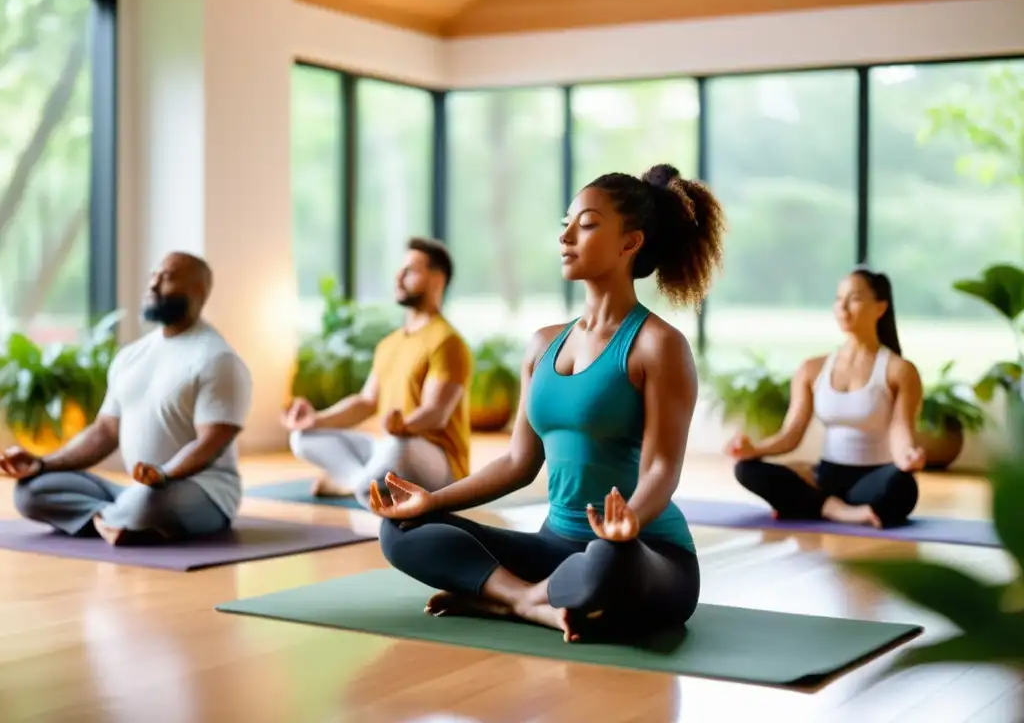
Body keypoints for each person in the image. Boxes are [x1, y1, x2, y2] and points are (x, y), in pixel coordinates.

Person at [367, 164, 726, 644]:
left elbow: (661, 468)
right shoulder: (542, 345)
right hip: (553, 547)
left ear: (630, 243)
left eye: (588, 224)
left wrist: (629, 523)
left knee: (602, 563)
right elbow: (518, 462)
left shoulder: (658, 346)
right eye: (566, 225)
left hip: (642, 552)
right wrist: (432, 501)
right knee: (402, 530)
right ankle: (524, 600)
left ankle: (504, 598)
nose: (566, 238)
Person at [0, 251, 253, 546]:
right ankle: (116, 520)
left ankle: (118, 518)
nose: (153, 285)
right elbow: (105, 431)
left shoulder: (217, 359)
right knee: (30, 491)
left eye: (166, 278)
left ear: (198, 290)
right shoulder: (131, 356)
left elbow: (210, 443)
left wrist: (163, 474)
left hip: (199, 492)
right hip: (137, 490)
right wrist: (43, 464)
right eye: (153, 276)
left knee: (147, 503)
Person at [727, 266, 925, 529]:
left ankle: (811, 505)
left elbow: (901, 429)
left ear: (880, 308)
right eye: (838, 299)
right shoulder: (812, 369)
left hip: (872, 479)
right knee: (746, 469)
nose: (842, 307)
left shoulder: (899, 370)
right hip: (825, 476)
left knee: (903, 486)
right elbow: (791, 434)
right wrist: (754, 450)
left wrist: (907, 458)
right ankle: (837, 509)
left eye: (854, 299)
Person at [283, 237, 473, 508]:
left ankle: (358, 486)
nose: (398, 277)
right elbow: (366, 402)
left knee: (398, 444)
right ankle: (362, 483)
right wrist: (315, 420)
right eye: (399, 270)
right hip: (389, 446)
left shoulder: (447, 341)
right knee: (302, 438)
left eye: (410, 271)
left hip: (435, 461)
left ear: (437, 279)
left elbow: (436, 413)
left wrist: (405, 426)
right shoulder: (389, 343)